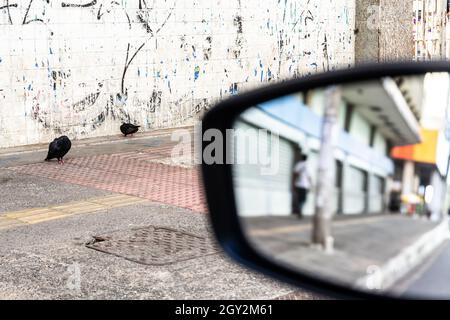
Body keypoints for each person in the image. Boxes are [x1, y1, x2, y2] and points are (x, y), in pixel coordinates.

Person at [293, 154, 313, 219]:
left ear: (301, 158)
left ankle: (299, 208)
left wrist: (293, 183)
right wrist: (311, 185)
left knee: (298, 198)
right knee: (303, 199)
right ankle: (300, 208)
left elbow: (295, 174)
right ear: (306, 159)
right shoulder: (308, 165)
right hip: (305, 185)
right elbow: (309, 177)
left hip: (298, 184)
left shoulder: (298, 164)